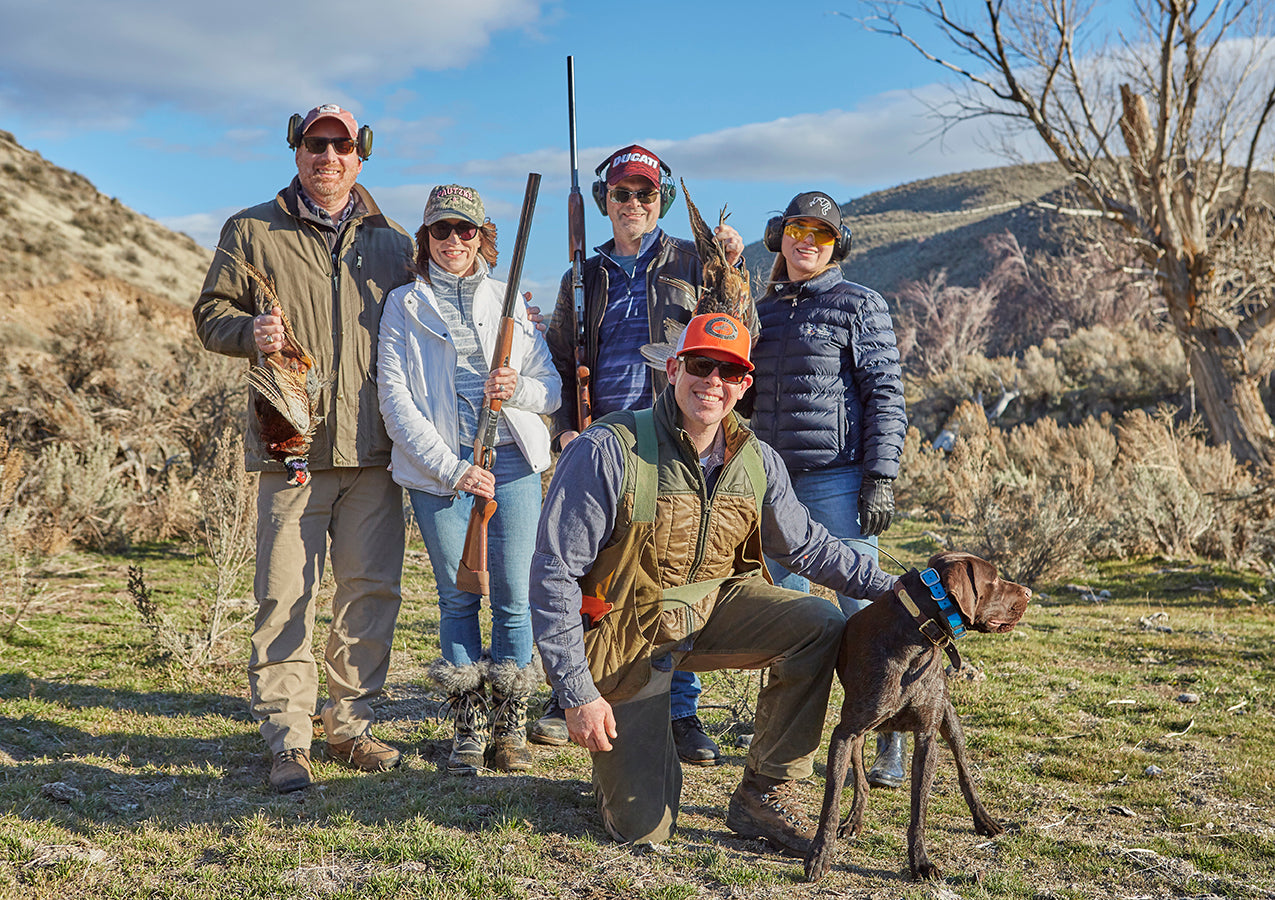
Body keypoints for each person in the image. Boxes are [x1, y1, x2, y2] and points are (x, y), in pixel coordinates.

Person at [530, 313, 898, 853]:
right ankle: (624, 762)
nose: (713, 383)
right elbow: (553, 573)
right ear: (674, 369)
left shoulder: (758, 461)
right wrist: (576, 693)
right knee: (643, 829)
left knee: (821, 622)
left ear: (745, 385)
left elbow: (808, 546)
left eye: (729, 372)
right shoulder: (608, 449)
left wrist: (895, 588)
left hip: (710, 609)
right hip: (627, 633)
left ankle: (766, 792)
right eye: (702, 366)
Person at [193, 104, 413, 793]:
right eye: (315, 144)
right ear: (296, 150)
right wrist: (247, 331)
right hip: (289, 449)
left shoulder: (396, 242)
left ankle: (349, 728)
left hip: (375, 452)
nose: (328, 156)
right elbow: (210, 315)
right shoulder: (251, 229)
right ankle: (288, 738)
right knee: (285, 594)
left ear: (361, 154)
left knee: (369, 592)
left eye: (341, 145)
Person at [535, 144, 749, 765]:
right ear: (604, 201)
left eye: (646, 194)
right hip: (603, 444)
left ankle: (680, 711)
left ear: (662, 201)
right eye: (622, 193)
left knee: (677, 575)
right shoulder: (583, 274)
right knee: (590, 575)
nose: (633, 204)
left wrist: (731, 261)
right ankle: (572, 688)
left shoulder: (693, 261)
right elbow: (555, 356)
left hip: (675, 438)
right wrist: (564, 432)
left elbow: (740, 330)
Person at [377, 184, 561, 775]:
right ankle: (469, 725)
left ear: (484, 238)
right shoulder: (402, 305)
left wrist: (517, 389)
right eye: (441, 230)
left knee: (513, 597)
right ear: (424, 239)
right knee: (458, 597)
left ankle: (509, 725)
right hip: (442, 470)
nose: (454, 241)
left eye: (466, 230)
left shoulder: (512, 304)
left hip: (511, 462)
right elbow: (395, 399)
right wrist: (454, 469)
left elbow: (550, 388)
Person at [743, 190, 910, 790]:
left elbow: (885, 394)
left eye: (820, 233)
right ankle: (784, 731)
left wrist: (880, 477)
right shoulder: (761, 312)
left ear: (837, 245)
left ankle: (888, 732)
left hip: (839, 478)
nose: (806, 241)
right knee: (785, 613)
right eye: (796, 229)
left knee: (866, 610)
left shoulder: (858, 305)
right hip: (771, 479)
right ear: (778, 235)